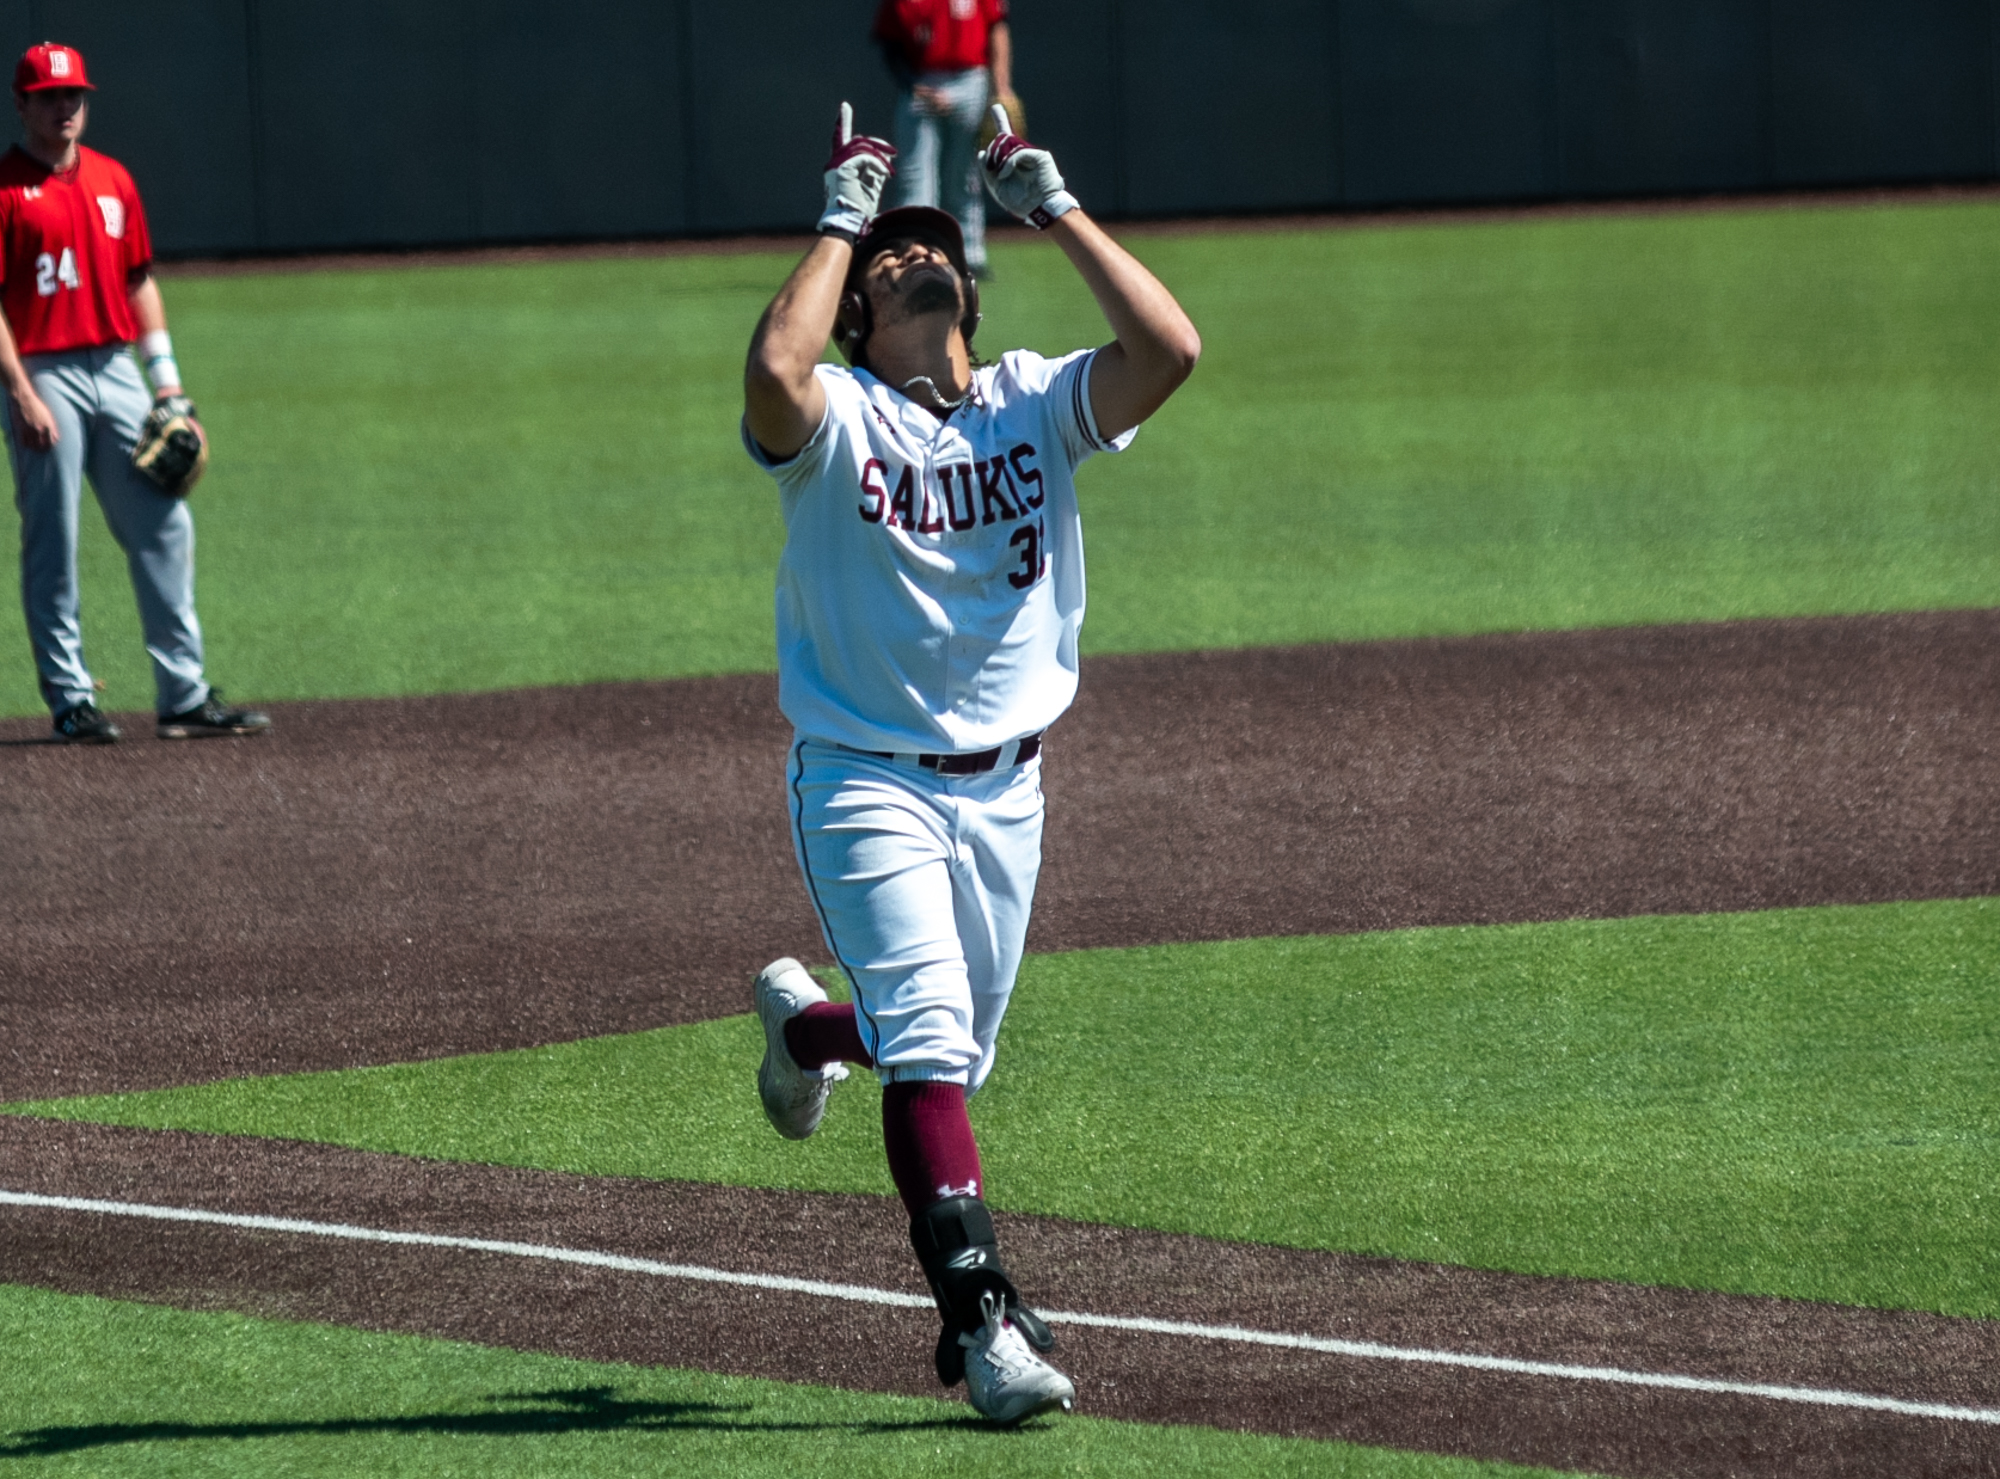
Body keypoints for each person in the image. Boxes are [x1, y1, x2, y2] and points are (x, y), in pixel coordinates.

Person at [741, 103, 1199, 1422]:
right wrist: (843, 215)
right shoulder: (837, 425)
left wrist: (1049, 203)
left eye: (928, 251)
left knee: (940, 1045)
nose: (911, 263)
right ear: (858, 321)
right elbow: (774, 373)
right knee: (934, 1042)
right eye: (886, 267)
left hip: (1010, 786)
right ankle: (984, 1323)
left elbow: (1169, 349)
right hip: (865, 780)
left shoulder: (1032, 403)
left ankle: (807, 1027)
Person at [0, 41, 266, 743]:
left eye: (74, 96)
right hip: (42, 370)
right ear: (21, 104)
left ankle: (183, 696)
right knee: (53, 538)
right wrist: (22, 395)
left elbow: (138, 280)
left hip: (116, 369)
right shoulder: (4, 190)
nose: (65, 107)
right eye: (50, 96)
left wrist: (168, 386)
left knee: (165, 523)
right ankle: (71, 699)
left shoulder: (114, 180)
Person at [871, 0, 1016, 276]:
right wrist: (914, 84)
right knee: (915, 176)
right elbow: (890, 45)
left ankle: (970, 254)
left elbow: (997, 28)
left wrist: (1002, 87)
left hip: (970, 79)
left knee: (964, 173)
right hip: (921, 80)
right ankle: (914, 253)